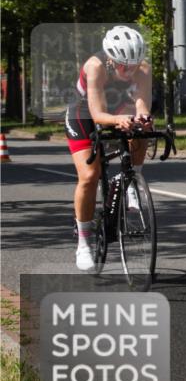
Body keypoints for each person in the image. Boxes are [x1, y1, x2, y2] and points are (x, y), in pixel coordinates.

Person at [65, 26, 153, 271]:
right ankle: (83, 241)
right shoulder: (95, 66)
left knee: (141, 127)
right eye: (124, 65)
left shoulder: (143, 69)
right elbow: (98, 113)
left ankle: (132, 179)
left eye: (134, 65)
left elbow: (142, 105)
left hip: (116, 106)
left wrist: (142, 119)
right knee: (89, 176)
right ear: (111, 59)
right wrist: (118, 121)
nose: (129, 71)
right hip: (83, 114)